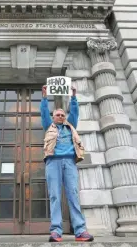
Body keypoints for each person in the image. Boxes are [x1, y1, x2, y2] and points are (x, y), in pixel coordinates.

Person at [40, 85, 94, 242]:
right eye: (57, 115)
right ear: (53, 117)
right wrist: (44, 97)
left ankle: (80, 231)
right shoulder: (48, 126)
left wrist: (74, 96)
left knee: (73, 195)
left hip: (70, 162)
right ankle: (56, 231)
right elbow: (44, 112)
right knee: (55, 196)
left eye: (63, 114)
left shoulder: (71, 126)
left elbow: (75, 112)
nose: (61, 116)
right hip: (53, 162)